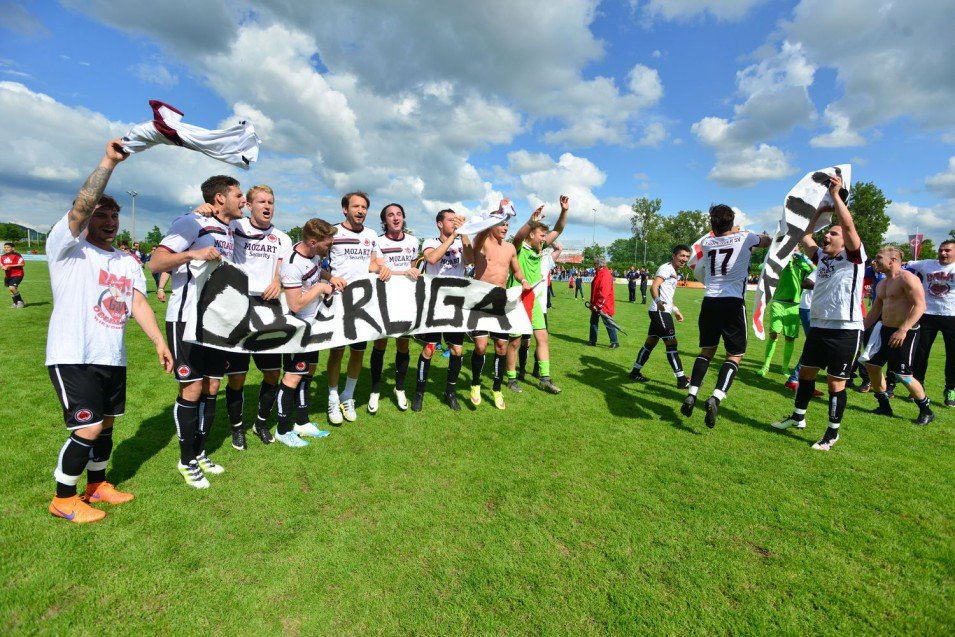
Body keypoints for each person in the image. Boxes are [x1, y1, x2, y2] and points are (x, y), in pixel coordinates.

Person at [46, 138, 173, 523]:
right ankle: (63, 498)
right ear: (86, 218)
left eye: (114, 215)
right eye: (101, 214)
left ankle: (97, 485)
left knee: (107, 426)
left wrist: (159, 341)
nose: (109, 221)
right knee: (88, 427)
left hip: (111, 356)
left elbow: (137, 303)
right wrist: (109, 162)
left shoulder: (127, 261)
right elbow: (82, 205)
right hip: (73, 354)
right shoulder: (67, 248)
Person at [149, 175, 244, 487]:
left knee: (212, 387)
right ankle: (186, 460)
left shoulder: (231, 228)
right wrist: (193, 254)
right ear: (220, 198)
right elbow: (156, 263)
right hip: (186, 320)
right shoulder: (191, 223)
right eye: (238, 195)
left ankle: (200, 451)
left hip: (215, 323)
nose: (243, 200)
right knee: (191, 389)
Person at [772, 174, 867, 451]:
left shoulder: (854, 257)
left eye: (833, 234)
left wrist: (836, 197)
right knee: (806, 375)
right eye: (828, 232)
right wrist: (820, 211)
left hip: (845, 329)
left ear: (845, 241)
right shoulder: (822, 257)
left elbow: (848, 226)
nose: (828, 235)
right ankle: (798, 418)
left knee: (836, 384)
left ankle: (832, 433)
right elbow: (805, 235)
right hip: (820, 326)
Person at [680, 206, 772, 427]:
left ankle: (692, 393)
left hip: (709, 301)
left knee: (706, 351)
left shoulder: (707, 243)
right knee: (735, 355)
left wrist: (731, 231)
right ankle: (716, 397)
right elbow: (767, 241)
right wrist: (742, 232)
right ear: (732, 222)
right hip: (732, 302)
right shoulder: (746, 238)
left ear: (712, 223)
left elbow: (718, 236)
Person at [222, 185, 294, 450]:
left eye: (270, 202)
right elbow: (212, 222)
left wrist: (277, 281)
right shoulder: (235, 227)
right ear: (249, 205)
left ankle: (261, 423)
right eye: (261, 202)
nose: (267, 206)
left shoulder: (282, 238)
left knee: (273, 373)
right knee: (237, 376)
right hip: (239, 306)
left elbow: (283, 269)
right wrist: (202, 209)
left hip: (269, 308)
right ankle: (237, 428)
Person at [325, 192, 388, 425]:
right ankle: (332, 398)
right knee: (337, 352)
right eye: (355, 206)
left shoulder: (371, 235)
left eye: (364, 207)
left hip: (363, 302)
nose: (360, 211)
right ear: (345, 209)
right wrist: (330, 278)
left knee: (358, 351)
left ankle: (347, 396)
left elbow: (373, 263)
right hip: (338, 301)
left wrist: (382, 267)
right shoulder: (332, 232)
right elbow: (317, 263)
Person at [273, 218, 338, 447]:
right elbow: (295, 304)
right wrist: (320, 288)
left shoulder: (314, 255)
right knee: (292, 377)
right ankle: (282, 430)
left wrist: (330, 278)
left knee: (308, 372)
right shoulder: (292, 264)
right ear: (312, 242)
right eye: (327, 244)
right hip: (297, 328)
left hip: (313, 325)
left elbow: (317, 271)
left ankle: (302, 422)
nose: (330, 247)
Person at [506, 196, 570, 394]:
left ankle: (545, 378)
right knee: (515, 342)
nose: (544, 239)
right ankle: (511, 379)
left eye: (545, 236)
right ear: (531, 234)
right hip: (517, 301)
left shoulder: (539, 249)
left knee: (542, 337)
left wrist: (564, 211)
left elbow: (558, 230)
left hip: (534, 301)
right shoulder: (519, 248)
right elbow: (518, 237)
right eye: (541, 235)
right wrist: (531, 221)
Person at [470, 203, 532, 409]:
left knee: (501, 346)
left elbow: (517, 271)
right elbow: (477, 241)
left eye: (507, 224)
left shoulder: (510, 248)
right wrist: (494, 216)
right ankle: (475, 383)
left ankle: (497, 389)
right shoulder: (482, 241)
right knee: (480, 346)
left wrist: (523, 281)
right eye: (501, 224)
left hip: (500, 300)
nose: (505, 227)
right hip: (480, 300)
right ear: (491, 225)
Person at [862, 246, 934, 424]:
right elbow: (875, 311)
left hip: (905, 332)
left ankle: (926, 410)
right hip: (885, 330)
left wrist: (902, 330)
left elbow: (920, 306)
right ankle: (884, 406)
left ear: (893, 260)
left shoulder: (907, 278)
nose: (875, 261)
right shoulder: (882, 283)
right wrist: (860, 328)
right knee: (872, 365)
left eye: (879, 257)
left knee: (903, 375)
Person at [412, 208, 471, 411]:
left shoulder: (461, 242)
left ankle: (450, 392)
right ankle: (419, 392)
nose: (454, 223)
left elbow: (470, 260)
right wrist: (453, 236)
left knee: (457, 350)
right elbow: (431, 259)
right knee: (429, 348)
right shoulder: (430, 242)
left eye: (456, 220)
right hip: (435, 304)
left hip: (456, 304)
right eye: (450, 220)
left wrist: (465, 234)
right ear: (439, 223)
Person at [368, 203, 420, 414]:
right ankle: (375, 390)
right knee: (380, 343)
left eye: (399, 214)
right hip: (384, 299)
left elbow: (413, 269)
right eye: (390, 215)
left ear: (403, 217)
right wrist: (396, 270)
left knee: (403, 345)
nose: (396, 218)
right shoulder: (378, 241)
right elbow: (376, 267)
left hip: (405, 300)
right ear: (384, 220)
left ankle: (399, 388)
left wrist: (411, 272)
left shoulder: (413, 241)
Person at [630, 245, 692, 388]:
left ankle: (635, 372)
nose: (684, 259)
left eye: (687, 257)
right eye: (682, 255)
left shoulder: (674, 272)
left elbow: (668, 296)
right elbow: (654, 286)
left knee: (650, 342)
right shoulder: (666, 268)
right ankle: (682, 380)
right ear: (674, 256)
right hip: (660, 312)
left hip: (662, 311)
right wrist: (658, 302)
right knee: (671, 343)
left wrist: (676, 310)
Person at [906, 239, 955, 407]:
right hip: (927, 314)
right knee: (921, 353)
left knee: (953, 355)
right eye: (941, 250)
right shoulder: (927, 264)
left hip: (952, 316)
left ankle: (951, 389)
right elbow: (904, 264)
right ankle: (917, 386)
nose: (943, 253)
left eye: (947, 250)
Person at [758, 249, 814, 377]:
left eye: (795, 246)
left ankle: (785, 368)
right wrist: (777, 256)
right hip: (778, 303)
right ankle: (765, 366)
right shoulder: (780, 261)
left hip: (794, 306)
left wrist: (805, 259)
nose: (793, 249)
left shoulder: (802, 263)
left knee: (789, 338)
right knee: (773, 335)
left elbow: (817, 272)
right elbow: (762, 266)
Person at [588, 256, 619, 348]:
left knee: (608, 323)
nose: (594, 266)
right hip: (596, 303)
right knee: (593, 322)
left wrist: (598, 305)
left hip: (604, 304)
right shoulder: (599, 273)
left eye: (595, 264)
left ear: (599, 264)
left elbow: (604, 292)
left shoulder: (605, 274)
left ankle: (614, 342)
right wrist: (593, 303)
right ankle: (592, 340)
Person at [2, 242, 25, 308]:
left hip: (18, 274)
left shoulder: (17, 255)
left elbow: (22, 264)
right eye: (5, 247)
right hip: (8, 275)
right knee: (11, 290)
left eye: (8, 247)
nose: (6, 248)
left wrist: (10, 266)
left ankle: (20, 301)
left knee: (12, 287)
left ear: (12, 248)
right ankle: (15, 303)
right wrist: (3, 267)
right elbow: (2, 264)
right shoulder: (3, 256)